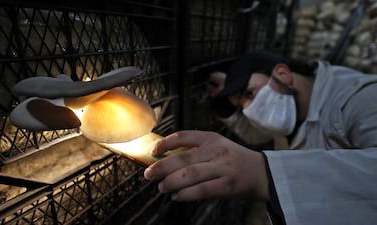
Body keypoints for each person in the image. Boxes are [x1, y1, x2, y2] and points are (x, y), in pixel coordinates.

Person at [144, 51, 377, 225]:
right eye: (241, 105)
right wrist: (228, 110)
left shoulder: (362, 100)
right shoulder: (294, 113)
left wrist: (264, 174)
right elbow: (256, 134)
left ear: (283, 74)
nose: (248, 110)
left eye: (249, 94)